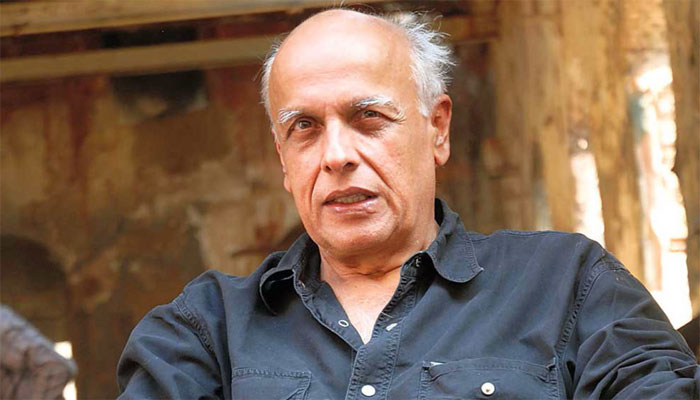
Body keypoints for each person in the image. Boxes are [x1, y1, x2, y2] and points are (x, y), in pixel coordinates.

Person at [117, 9, 700, 399]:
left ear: (437, 128)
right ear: (283, 159)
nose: (336, 155)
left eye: (369, 117)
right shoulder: (203, 331)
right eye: (304, 128)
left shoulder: (570, 286)